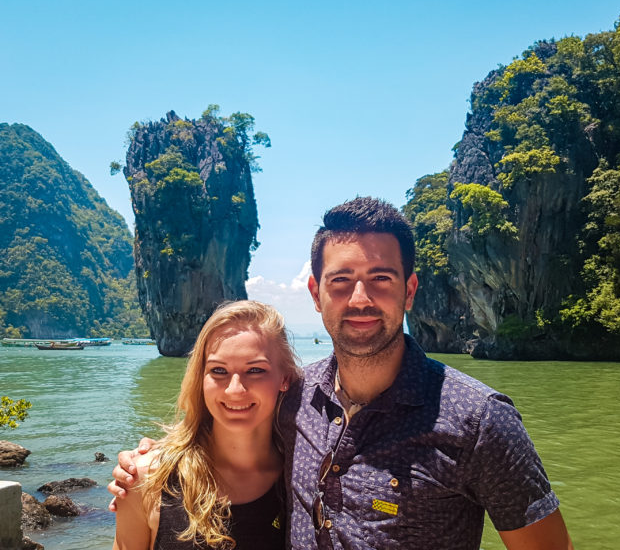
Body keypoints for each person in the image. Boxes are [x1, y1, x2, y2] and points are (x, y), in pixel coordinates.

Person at [111, 197, 573, 549]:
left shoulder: (478, 421)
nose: (360, 299)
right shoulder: (294, 396)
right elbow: (225, 424)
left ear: (410, 290)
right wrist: (147, 464)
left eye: (381, 278)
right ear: (315, 293)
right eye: (341, 280)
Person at [112, 300, 301, 550]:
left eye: (255, 370)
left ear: (284, 378)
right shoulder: (148, 477)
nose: (235, 390)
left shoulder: (302, 478)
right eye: (218, 371)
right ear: (200, 378)